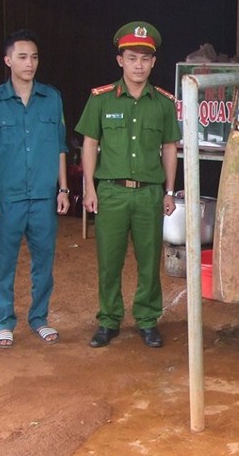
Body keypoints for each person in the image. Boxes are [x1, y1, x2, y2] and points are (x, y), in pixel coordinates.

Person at [75, 22, 182, 349]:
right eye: (132, 57)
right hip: (111, 192)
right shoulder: (101, 99)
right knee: (109, 260)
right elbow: (89, 144)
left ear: (153, 63)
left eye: (145, 59)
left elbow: (169, 148)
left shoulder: (163, 103)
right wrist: (90, 188)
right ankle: (108, 320)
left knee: (150, 261)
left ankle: (148, 320)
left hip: (149, 193)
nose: (139, 65)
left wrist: (168, 191)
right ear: (120, 60)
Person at [0, 29, 69, 349]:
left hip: (44, 196)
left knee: (43, 263)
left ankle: (39, 319)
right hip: (7, 196)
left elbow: (61, 147)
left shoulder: (52, 97)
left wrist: (63, 189)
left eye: (33, 57)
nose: (29, 63)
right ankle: (5, 322)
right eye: (22, 57)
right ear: (8, 61)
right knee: (4, 262)